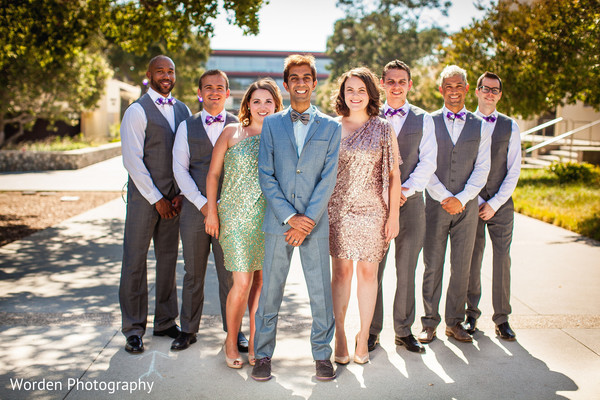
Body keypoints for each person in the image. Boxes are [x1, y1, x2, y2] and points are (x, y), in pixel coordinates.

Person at [251, 54, 341, 382]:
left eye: (307, 78)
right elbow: (266, 174)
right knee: (270, 292)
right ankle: (262, 355)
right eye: (295, 78)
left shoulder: (331, 127)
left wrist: (308, 220)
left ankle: (322, 355)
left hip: (314, 226)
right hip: (279, 224)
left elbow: (327, 178)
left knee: (320, 293)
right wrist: (290, 217)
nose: (301, 83)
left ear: (315, 83)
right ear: (287, 84)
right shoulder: (272, 124)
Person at [204, 78, 284, 368]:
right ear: (247, 104)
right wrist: (211, 212)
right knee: (242, 282)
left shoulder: (281, 137)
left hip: (269, 219)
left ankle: (254, 343)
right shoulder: (231, 132)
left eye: (268, 101)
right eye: (257, 101)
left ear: (276, 105)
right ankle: (230, 339)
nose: (262, 106)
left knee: (261, 283)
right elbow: (213, 175)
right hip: (236, 218)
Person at [328, 67, 401, 365]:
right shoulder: (331, 127)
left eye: (361, 90)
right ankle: (341, 336)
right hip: (338, 211)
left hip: (373, 211)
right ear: (342, 94)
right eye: (350, 90)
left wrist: (392, 215)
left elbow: (395, 176)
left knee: (369, 274)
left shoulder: (384, 128)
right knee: (342, 274)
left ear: (370, 93)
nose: (355, 95)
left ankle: (363, 336)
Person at [119, 55, 191, 354]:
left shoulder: (184, 110)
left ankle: (164, 322)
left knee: (168, 261)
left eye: (170, 71)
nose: (166, 75)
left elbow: (187, 154)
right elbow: (132, 160)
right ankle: (134, 328)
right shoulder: (137, 111)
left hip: (174, 200)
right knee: (135, 262)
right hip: (144, 200)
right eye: (160, 71)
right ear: (149, 75)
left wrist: (180, 195)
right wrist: (157, 198)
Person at [171, 69, 245, 351]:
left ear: (228, 93)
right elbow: (180, 169)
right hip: (194, 210)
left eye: (220, 87)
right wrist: (203, 204)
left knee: (231, 273)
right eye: (208, 87)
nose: (214, 92)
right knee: (193, 272)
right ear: (199, 93)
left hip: (232, 211)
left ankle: (234, 331)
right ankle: (188, 329)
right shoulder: (186, 127)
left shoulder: (240, 126)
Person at [419, 65, 492, 344]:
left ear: (466, 89)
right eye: (448, 86)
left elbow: (482, 168)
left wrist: (461, 198)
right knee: (433, 264)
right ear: (441, 90)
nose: (453, 91)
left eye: (458, 86)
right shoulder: (429, 121)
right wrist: (443, 197)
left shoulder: (480, 125)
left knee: (462, 266)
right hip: (435, 205)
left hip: (467, 206)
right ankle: (429, 323)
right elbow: (424, 164)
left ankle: (454, 322)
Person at [369, 60, 437, 354]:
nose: (396, 87)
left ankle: (403, 330)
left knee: (406, 267)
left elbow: (429, 161)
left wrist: (405, 190)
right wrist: (386, 193)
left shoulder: (425, 119)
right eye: (391, 81)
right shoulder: (369, 117)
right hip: (375, 204)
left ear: (410, 85)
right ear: (382, 85)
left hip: (410, 203)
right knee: (374, 271)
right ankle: (371, 331)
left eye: (402, 81)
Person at [462, 72, 521, 341]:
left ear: (500, 95)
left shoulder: (510, 126)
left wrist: (495, 203)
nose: (489, 93)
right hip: (472, 203)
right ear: (476, 91)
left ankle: (502, 319)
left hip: (501, 205)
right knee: (471, 260)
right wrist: (476, 201)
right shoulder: (465, 123)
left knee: (502, 260)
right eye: (485, 88)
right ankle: (470, 314)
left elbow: (514, 170)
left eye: (495, 90)